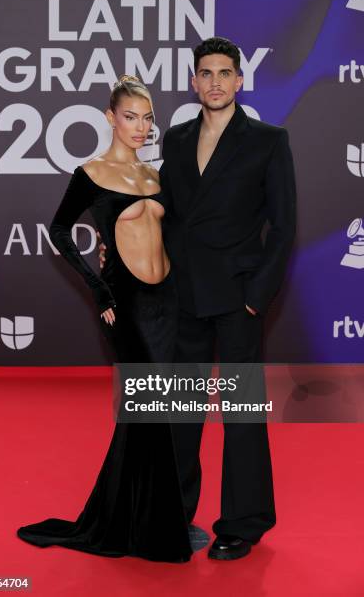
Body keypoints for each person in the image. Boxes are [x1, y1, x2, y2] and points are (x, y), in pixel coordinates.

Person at [16, 75, 193, 563]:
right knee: (151, 409)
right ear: (111, 117)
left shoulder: (156, 176)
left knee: (153, 414)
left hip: (168, 300)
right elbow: (58, 229)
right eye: (131, 117)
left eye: (147, 117)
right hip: (127, 303)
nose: (141, 126)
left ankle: (136, 518)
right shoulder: (91, 173)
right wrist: (98, 289)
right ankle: (150, 531)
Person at [158, 37, 297, 560]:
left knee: (240, 413)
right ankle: (172, 512)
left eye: (224, 73)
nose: (215, 82)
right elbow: (166, 213)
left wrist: (256, 298)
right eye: (205, 73)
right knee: (178, 409)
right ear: (193, 82)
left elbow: (283, 228)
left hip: (238, 298)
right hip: (183, 295)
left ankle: (243, 521)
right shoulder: (174, 139)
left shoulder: (267, 140)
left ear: (240, 81)